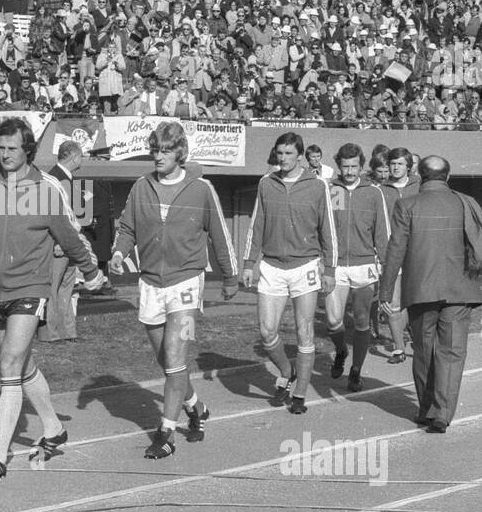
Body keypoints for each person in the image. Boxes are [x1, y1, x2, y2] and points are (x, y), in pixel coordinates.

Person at [0, 118, 106, 481]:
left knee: (9, 365)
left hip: (30, 289)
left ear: (28, 149)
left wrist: (91, 271)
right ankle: (52, 428)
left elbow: (71, 236)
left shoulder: (46, 188)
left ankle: (0, 452)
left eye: (12, 149)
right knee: (20, 363)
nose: (5, 155)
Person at [110, 121, 239, 458]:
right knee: (166, 361)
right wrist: (118, 252)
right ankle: (195, 407)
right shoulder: (141, 187)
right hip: (150, 283)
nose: (158, 156)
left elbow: (220, 235)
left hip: (186, 283)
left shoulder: (201, 189)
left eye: (165, 150)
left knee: (176, 356)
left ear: (180, 153)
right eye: (155, 150)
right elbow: (127, 228)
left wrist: (229, 277)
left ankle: (166, 432)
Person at [379, 155, 482, 433]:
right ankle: (442, 414)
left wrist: (385, 291)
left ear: (419, 175)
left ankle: (425, 409)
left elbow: (395, 250)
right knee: (451, 352)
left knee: (423, 350)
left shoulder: (406, 204)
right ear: (447, 176)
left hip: (421, 289)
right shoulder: (465, 202)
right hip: (460, 288)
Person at [241, 132, 338, 415]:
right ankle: (287, 369)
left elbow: (328, 230)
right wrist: (249, 263)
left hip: (305, 266)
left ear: (300, 156)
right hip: (271, 266)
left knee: (304, 331)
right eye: (279, 153)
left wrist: (330, 269)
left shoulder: (317, 185)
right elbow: (257, 224)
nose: (282, 159)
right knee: (267, 331)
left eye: (288, 154)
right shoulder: (266, 183)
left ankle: (299, 394)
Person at [325, 143, 390, 393]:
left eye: (354, 166)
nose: (350, 171)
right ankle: (341, 351)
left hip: (365, 265)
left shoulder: (374, 193)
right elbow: (324, 225)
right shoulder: (332, 190)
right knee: (333, 321)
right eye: (345, 166)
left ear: (361, 166)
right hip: (337, 265)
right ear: (339, 166)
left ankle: (356, 370)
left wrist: (385, 265)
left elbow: (382, 232)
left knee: (362, 321)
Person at [38, 140, 87, 343]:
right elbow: (51, 215)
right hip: (58, 244)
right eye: (81, 156)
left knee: (67, 287)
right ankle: (51, 333)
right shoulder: (51, 179)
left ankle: (69, 331)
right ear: (73, 157)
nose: (82, 160)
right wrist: (58, 242)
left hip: (71, 243)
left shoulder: (68, 178)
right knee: (53, 288)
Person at [379, 147, 419, 365]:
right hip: (392, 251)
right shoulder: (381, 190)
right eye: (392, 164)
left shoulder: (420, 187)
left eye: (400, 164)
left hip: (417, 252)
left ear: (408, 166)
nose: (395, 167)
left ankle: (414, 334)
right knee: (393, 302)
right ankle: (398, 349)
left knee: (413, 302)